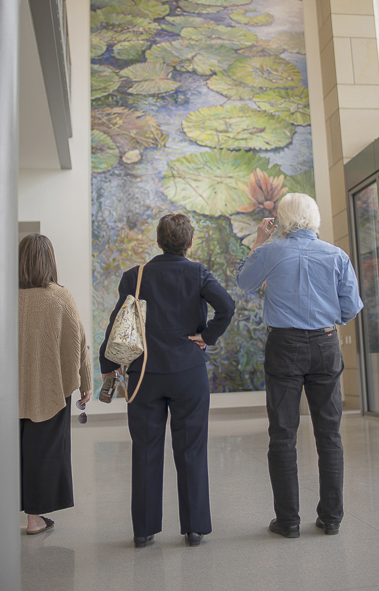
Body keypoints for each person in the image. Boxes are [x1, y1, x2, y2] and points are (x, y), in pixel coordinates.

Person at [100, 213, 235, 548]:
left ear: (158, 241)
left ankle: (144, 531)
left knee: (145, 450)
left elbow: (119, 323)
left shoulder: (136, 276)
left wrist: (108, 364)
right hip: (189, 374)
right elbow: (227, 307)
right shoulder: (198, 272)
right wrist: (206, 336)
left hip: (144, 375)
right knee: (191, 450)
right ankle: (194, 529)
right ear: (189, 243)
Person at [236, 193, 363, 538]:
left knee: (282, 434)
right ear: (315, 218)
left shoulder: (271, 252)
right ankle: (332, 518)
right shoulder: (337, 255)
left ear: (283, 219)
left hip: (285, 345)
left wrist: (259, 241)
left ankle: (288, 520)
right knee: (329, 434)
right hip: (325, 344)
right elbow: (351, 308)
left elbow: (243, 283)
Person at [19, 233, 92, 535]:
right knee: (42, 454)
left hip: (8, 394)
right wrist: (86, 382)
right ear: (50, 260)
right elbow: (78, 343)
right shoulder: (60, 296)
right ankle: (34, 517)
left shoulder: (4, 296)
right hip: (49, 389)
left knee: (6, 453)